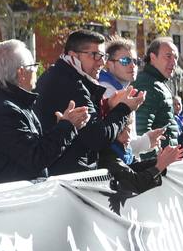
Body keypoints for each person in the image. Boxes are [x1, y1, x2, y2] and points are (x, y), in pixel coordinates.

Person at [0, 40, 90, 185]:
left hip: (18, 197)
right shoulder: (5, 110)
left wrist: (63, 126)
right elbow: (35, 158)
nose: (37, 71)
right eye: (34, 66)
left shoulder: (9, 103)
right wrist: (67, 127)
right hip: (13, 200)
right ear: (21, 72)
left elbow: (33, 149)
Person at [34, 29, 143, 174]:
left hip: (67, 172)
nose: (101, 62)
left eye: (103, 56)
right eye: (95, 55)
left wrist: (108, 106)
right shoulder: (71, 84)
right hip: (69, 176)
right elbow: (97, 137)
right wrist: (123, 109)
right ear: (73, 55)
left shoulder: (65, 76)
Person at [100, 113, 183, 197]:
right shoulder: (109, 156)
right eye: (121, 132)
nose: (128, 137)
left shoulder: (124, 152)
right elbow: (136, 184)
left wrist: (161, 160)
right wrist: (159, 166)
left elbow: (136, 167)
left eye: (129, 131)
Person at [133, 38, 179, 157]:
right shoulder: (148, 84)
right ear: (153, 58)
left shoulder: (157, 83)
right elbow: (141, 129)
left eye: (176, 58)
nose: (173, 62)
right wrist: (155, 166)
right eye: (168, 56)